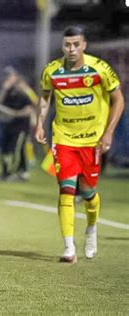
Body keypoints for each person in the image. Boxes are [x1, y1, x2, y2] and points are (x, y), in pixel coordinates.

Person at [35, 26, 125, 263]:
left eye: (76, 44)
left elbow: (119, 100)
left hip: (92, 140)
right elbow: (45, 97)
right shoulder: (52, 71)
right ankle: (68, 248)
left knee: (88, 193)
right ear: (62, 45)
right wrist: (39, 123)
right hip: (63, 138)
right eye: (67, 45)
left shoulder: (100, 69)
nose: (71, 49)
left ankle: (92, 228)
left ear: (84, 44)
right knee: (66, 189)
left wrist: (109, 133)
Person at [0, 68, 35, 181]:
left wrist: (14, 114)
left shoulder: (24, 93)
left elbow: (29, 109)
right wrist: (4, 88)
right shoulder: (7, 92)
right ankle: (6, 171)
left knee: (17, 149)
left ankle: (19, 171)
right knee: (4, 150)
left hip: (20, 127)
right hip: (7, 126)